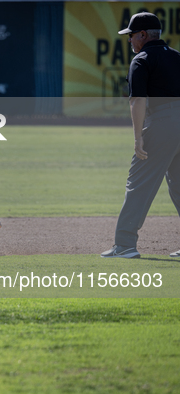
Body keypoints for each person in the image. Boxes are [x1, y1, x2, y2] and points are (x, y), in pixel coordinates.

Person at [101, 12, 180, 258]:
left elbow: (137, 101)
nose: (130, 41)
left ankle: (124, 245)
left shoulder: (142, 59)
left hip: (162, 122)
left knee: (139, 184)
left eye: (132, 35)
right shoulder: (177, 57)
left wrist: (138, 138)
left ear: (143, 35)